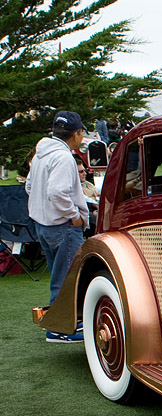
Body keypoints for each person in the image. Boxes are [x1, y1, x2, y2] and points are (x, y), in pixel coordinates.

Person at [26, 110, 90, 342]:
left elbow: (30, 187)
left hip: (43, 225)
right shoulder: (63, 158)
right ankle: (59, 328)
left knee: (59, 274)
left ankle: (65, 320)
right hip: (62, 225)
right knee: (66, 277)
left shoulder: (41, 153)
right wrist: (73, 215)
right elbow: (57, 191)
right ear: (76, 134)